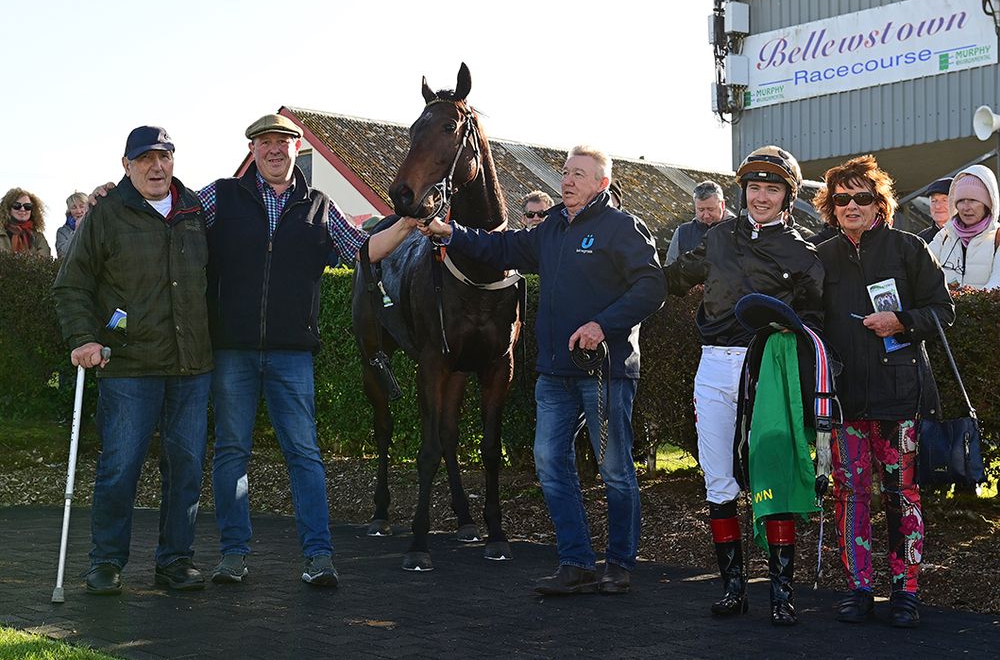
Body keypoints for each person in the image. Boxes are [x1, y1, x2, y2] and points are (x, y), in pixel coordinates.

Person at [419, 144, 665, 595]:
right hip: (553, 373)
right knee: (551, 464)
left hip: (604, 373)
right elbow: (502, 246)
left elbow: (652, 286)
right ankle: (575, 563)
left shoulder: (622, 228)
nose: (567, 180)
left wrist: (602, 325)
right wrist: (448, 231)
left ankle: (619, 564)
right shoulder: (551, 226)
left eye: (579, 174)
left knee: (614, 470)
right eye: (566, 172)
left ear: (601, 184)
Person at [201, 114, 415, 587]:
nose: (274, 149)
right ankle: (233, 555)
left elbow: (363, 249)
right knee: (231, 453)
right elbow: (175, 223)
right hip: (232, 350)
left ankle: (319, 557)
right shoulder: (221, 195)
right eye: (265, 142)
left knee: (304, 454)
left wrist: (409, 225)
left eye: (284, 141)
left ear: (298, 148)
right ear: (252, 150)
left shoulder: (319, 205)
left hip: (292, 353)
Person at [663, 145, 825, 625]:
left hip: (769, 374)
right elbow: (667, 280)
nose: (761, 196)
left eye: (772, 188)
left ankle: (781, 594)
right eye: (754, 187)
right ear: (743, 190)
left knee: (770, 478)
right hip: (713, 368)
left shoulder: (805, 254)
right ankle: (734, 589)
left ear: (787, 196)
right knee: (719, 482)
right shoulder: (716, 240)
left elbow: (814, 325)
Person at [52, 126, 213, 595]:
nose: (156, 166)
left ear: (174, 161)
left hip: (191, 366)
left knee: (185, 467)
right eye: (144, 159)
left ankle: (176, 561)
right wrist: (83, 337)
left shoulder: (195, 211)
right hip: (128, 365)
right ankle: (105, 563)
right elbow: (71, 284)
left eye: (164, 156)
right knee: (120, 466)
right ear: (126, 165)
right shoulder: (106, 215)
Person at [813, 154, 954, 629]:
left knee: (902, 494)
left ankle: (906, 591)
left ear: (880, 203)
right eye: (842, 197)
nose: (852, 205)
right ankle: (858, 588)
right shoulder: (820, 254)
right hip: (843, 398)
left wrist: (903, 321)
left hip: (900, 397)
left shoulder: (909, 248)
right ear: (831, 205)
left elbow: (943, 310)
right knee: (850, 495)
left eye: (862, 196)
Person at [927, 167, 1000, 290]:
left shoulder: (997, 237)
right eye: (961, 201)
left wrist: (965, 301)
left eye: (973, 200)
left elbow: (997, 283)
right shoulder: (945, 235)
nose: (966, 207)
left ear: (988, 204)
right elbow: (919, 269)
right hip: (946, 309)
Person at [665, 180, 734, 263]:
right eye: (701, 210)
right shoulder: (682, 232)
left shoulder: (739, 230)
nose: (706, 215)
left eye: (710, 209)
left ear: (722, 205)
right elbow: (670, 267)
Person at [1, 188, 50, 257]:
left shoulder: (38, 238)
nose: (22, 209)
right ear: (8, 209)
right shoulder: (1, 233)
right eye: (17, 206)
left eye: (27, 206)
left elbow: (43, 261)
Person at [917, 177, 953, 245]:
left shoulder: (967, 236)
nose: (938, 206)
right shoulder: (921, 240)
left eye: (944, 200)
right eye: (934, 201)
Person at [55, 191, 88, 258]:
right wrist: (77, 230)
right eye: (74, 208)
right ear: (69, 210)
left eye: (82, 206)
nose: (78, 211)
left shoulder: (98, 226)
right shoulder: (62, 231)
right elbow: (62, 253)